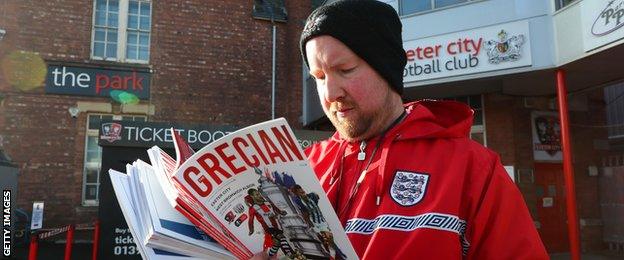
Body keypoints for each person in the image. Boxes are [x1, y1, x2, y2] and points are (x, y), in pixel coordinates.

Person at [299, 0, 549, 259]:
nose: (330, 93)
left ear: (386, 68)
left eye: (345, 70)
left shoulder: (472, 169)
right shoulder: (304, 167)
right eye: (319, 77)